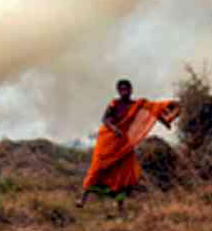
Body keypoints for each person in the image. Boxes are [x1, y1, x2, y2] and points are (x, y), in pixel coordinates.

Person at [77, 79, 180, 215]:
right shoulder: (114, 103)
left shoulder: (137, 105)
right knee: (97, 168)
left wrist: (167, 117)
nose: (124, 91)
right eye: (122, 89)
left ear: (131, 90)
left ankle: (120, 209)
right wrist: (114, 129)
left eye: (127, 89)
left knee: (123, 174)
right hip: (108, 141)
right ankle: (82, 199)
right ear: (118, 91)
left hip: (124, 144)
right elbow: (105, 119)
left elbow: (153, 110)